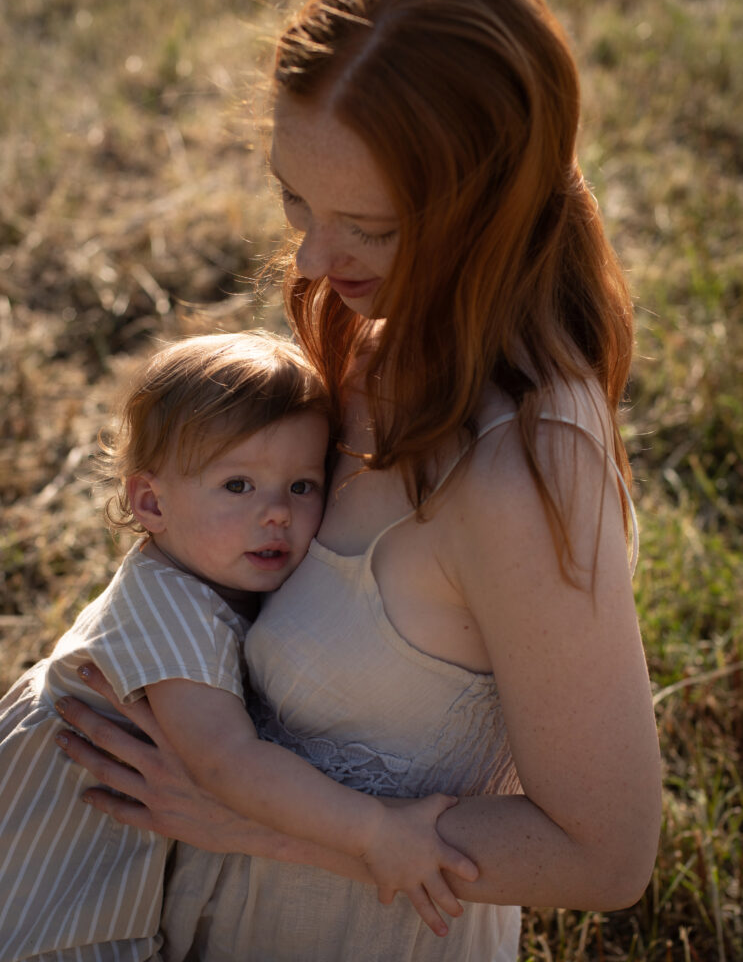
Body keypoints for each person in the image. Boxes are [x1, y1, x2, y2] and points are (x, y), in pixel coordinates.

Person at [54, 0, 663, 960]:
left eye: (368, 229)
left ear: (488, 209)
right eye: (296, 199)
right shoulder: (375, 332)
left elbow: (604, 855)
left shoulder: (520, 468)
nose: (309, 259)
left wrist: (240, 815)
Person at [0, 330, 479, 962]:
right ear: (150, 501)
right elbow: (227, 764)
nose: (276, 512)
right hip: (58, 916)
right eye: (237, 486)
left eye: (302, 486)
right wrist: (375, 831)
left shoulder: (210, 576)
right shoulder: (169, 612)